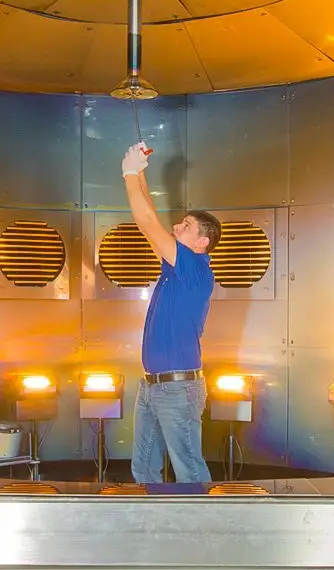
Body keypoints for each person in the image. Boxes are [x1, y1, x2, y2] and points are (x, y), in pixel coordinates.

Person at [120, 141, 221, 484]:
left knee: (188, 468)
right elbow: (150, 224)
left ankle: (205, 533)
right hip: (153, 386)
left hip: (178, 390)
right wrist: (141, 175)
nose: (177, 227)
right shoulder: (176, 267)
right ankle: (154, 532)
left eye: (186, 226)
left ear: (202, 242)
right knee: (144, 467)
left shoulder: (194, 268)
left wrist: (130, 174)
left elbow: (148, 222)